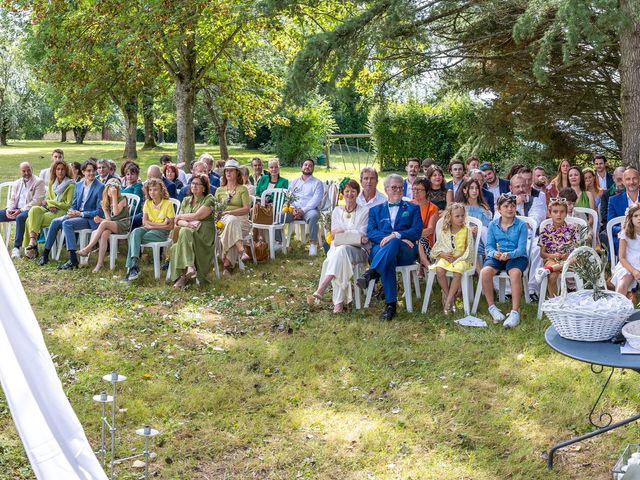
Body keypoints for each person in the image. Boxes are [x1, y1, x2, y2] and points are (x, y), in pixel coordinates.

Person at [356, 174, 422, 321]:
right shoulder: (375, 210)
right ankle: (390, 307)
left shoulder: (413, 208)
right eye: (394, 187)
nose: (398, 190)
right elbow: (371, 233)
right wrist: (392, 238)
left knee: (394, 242)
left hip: (406, 252)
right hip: (382, 249)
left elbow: (417, 231)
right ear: (386, 190)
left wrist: (397, 235)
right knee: (389, 256)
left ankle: (372, 272)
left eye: (401, 187)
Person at [309, 180, 369, 312]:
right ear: (342, 193)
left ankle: (324, 288)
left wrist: (344, 234)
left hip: (358, 251)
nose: (350, 194)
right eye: (347, 191)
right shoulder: (336, 210)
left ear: (358, 194)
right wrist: (351, 234)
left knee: (337, 254)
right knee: (339, 255)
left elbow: (361, 236)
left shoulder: (364, 211)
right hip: (337, 249)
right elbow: (335, 235)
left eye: (353, 191)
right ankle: (338, 304)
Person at [38, 159, 105, 268]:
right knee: (55, 222)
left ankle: (73, 259)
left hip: (90, 218)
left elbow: (99, 211)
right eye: (88, 171)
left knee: (67, 224)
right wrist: (72, 212)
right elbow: (74, 204)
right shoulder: (78, 185)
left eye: (93, 171)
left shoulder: (100, 187)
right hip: (76, 215)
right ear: (83, 172)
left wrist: (81, 214)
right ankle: (45, 255)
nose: (91, 173)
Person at [480, 194, 529, 328]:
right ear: (499, 209)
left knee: (514, 273)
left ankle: (515, 312)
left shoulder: (521, 226)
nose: (510, 209)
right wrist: (494, 253)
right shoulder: (493, 225)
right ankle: (492, 308)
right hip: (498, 255)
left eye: (512, 206)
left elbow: (521, 248)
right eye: (506, 206)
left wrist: (509, 255)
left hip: (516, 256)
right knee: (485, 272)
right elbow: (489, 246)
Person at [170, 173, 216, 287]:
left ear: (204, 187)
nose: (194, 186)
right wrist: (186, 223)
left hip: (203, 235)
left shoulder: (209, 199)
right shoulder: (186, 200)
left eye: (197, 184)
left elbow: (198, 216)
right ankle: (188, 268)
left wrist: (181, 217)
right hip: (188, 233)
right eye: (192, 183)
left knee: (183, 233)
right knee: (182, 235)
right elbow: (177, 221)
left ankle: (184, 275)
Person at [124, 179, 175, 281]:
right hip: (149, 229)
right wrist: (161, 223)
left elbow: (170, 227)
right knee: (135, 232)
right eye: (150, 190)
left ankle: (131, 270)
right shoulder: (147, 202)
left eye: (155, 190)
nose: (152, 192)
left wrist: (152, 225)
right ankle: (134, 264)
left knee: (135, 238)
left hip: (161, 233)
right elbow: (144, 222)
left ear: (161, 191)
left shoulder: (168, 204)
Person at [23, 160, 75, 259]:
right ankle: (33, 242)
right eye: (58, 169)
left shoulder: (71, 185)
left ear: (66, 171)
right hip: (49, 209)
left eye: (63, 169)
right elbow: (45, 201)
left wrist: (50, 203)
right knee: (34, 210)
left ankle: (32, 246)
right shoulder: (52, 183)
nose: (60, 171)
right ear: (54, 171)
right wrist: (49, 205)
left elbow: (67, 205)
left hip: (62, 212)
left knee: (29, 220)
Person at [77, 179, 130, 273]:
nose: (111, 192)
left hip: (123, 224)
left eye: (114, 190)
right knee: (104, 234)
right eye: (109, 190)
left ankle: (89, 248)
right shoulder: (105, 202)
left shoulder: (123, 199)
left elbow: (116, 213)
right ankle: (99, 264)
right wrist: (101, 220)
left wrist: (114, 196)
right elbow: (109, 219)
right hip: (112, 224)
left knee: (104, 224)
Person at [429, 203, 474, 313]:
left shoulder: (466, 230)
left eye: (462, 216)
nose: (460, 218)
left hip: (461, 259)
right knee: (439, 269)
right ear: (450, 217)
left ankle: (448, 300)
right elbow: (438, 246)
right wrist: (442, 254)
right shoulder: (445, 230)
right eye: (457, 216)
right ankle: (451, 296)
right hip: (447, 258)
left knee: (457, 272)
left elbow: (468, 249)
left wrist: (457, 258)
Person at [535, 198, 580, 297]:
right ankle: (554, 302)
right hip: (552, 260)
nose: (559, 215)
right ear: (550, 213)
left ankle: (548, 269)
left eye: (562, 212)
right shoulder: (545, 230)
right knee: (552, 277)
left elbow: (577, 248)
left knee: (574, 258)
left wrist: (566, 254)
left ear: (566, 213)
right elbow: (542, 254)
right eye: (555, 212)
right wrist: (553, 255)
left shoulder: (573, 228)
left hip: (570, 259)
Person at [0, 162, 46, 258]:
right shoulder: (17, 182)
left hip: (29, 210)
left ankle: (16, 248)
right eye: (23, 171)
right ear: (20, 171)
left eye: (28, 170)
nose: (26, 173)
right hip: (15, 209)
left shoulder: (38, 181)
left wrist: (20, 210)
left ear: (32, 169)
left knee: (20, 217)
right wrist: (9, 209)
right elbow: (12, 199)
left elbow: (37, 201)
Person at [215, 159, 252, 275]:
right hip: (223, 221)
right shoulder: (219, 190)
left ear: (237, 173)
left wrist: (230, 213)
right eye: (226, 171)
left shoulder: (243, 189)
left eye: (231, 171)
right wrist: (223, 214)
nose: (228, 173)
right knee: (231, 222)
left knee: (232, 222)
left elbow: (246, 208)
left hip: (242, 220)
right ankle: (240, 252)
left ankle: (227, 263)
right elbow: (216, 209)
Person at [287, 159, 324, 256]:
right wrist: (293, 209)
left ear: (313, 169)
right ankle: (279, 242)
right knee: (279, 215)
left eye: (310, 165)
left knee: (314, 216)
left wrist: (303, 211)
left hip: (309, 210)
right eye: (305, 164)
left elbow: (315, 200)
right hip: (294, 209)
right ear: (302, 167)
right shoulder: (294, 182)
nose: (307, 167)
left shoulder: (317, 183)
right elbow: (289, 197)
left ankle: (312, 245)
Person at [456, 178, 492, 272]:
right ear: (464, 190)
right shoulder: (459, 207)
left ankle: (489, 261)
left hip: (480, 240)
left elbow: (487, 228)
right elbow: (454, 225)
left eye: (476, 188)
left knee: (483, 230)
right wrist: (467, 229)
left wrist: (478, 229)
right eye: (471, 188)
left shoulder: (483, 208)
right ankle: (481, 274)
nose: (474, 191)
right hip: (462, 239)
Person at [608, 166, 640, 255]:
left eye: (634, 179)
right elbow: (611, 225)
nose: (631, 182)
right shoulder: (613, 200)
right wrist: (626, 230)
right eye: (628, 179)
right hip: (624, 237)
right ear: (623, 182)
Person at [612, 204, 640, 296]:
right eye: (636, 216)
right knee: (623, 284)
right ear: (630, 218)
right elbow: (622, 257)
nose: (639, 218)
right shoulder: (625, 233)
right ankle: (618, 306)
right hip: (628, 264)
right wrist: (633, 271)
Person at [412, 177, 438, 274]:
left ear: (427, 191)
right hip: (410, 240)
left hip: (426, 241)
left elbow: (430, 230)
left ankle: (426, 263)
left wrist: (412, 234)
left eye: (419, 189)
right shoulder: (408, 205)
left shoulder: (433, 208)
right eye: (414, 189)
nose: (415, 192)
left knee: (421, 241)